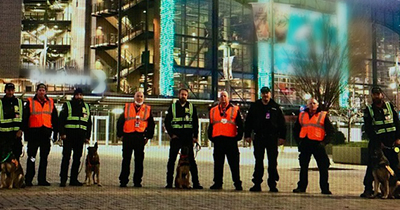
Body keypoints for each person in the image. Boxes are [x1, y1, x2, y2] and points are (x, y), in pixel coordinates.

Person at [360, 86, 400, 198]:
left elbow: (397, 123)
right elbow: (368, 129)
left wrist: (398, 138)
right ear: (372, 96)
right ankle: (368, 189)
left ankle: (396, 189)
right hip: (377, 143)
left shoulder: (389, 106)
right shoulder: (369, 110)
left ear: (382, 95)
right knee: (373, 167)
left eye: (378, 94)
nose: (376, 96)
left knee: (394, 166)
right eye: (374, 94)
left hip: (392, 142)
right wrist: (377, 143)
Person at [245, 86, 286, 192]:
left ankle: (272, 184)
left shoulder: (275, 107)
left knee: (272, 162)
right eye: (263, 93)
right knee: (258, 161)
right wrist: (247, 135)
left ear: (270, 94)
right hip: (259, 137)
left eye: (267, 93)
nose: (265, 95)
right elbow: (248, 121)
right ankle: (257, 184)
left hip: (272, 138)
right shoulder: (255, 106)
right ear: (261, 94)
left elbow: (282, 123)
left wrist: (282, 137)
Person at [292, 98, 334, 195]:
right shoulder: (302, 115)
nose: (312, 105)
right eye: (310, 103)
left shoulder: (323, 115)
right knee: (303, 166)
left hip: (318, 144)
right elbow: (296, 130)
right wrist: (299, 142)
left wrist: (324, 143)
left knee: (323, 166)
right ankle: (301, 187)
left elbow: (331, 131)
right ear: (307, 105)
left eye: (314, 103)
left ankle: (324, 188)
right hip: (305, 143)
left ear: (317, 105)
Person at [164, 88, 203, 189]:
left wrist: (195, 136)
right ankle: (169, 183)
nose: (183, 96)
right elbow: (167, 122)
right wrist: (171, 134)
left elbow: (195, 123)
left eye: (185, 95)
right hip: (176, 137)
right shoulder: (172, 107)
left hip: (187, 138)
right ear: (178, 95)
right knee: (171, 160)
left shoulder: (191, 107)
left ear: (187, 96)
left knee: (192, 161)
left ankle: (196, 183)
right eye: (182, 94)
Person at [23, 83, 59, 186]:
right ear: (36, 91)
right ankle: (29, 179)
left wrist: (55, 133)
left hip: (45, 136)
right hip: (33, 135)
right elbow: (25, 119)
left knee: (44, 158)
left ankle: (42, 179)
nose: (42, 92)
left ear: (46, 92)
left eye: (43, 90)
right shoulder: (30, 102)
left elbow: (55, 119)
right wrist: (26, 133)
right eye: (40, 90)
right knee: (32, 157)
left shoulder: (51, 102)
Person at [117, 91, 155, 188]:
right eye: (137, 96)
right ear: (134, 97)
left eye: (141, 96)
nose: (139, 98)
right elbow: (120, 121)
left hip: (140, 137)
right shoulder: (127, 107)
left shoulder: (147, 109)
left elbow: (151, 124)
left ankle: (137, 181)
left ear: (144, 98)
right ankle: (123, 180)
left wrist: (148, 136)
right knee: (126, 160)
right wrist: (120, 134)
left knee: (139, 161)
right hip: (128, 136)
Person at [208, 91, 243, 190]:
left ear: (228, 98)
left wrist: (238, 137)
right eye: (221, 96)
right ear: (219, 98)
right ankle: (217, 183)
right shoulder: (213, 110)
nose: (223, 98)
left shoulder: (235, 109)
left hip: (231, 141)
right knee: (218, 164)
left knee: (234, 164)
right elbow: (211, 125)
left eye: (225, 96)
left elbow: (240, 125)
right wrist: (211, 137)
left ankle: (237, 183)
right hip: (218, 140)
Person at [59, 88, 92, 187]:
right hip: (69, 136)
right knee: (66, 158)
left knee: (77, 159)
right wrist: (62, 133)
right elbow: (61, 120)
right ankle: (63, 179)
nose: (79, 96)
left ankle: (74, 179)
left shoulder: (86, 106)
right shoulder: (68, 105)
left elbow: (89, 123)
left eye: (81, 95)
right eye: (77, 95)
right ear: (74, 95)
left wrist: (87, 136)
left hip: (80, 137)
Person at [0, 83, 23, 162]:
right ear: (5, 91)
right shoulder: (1, 103)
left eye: (12, 90)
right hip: (3, 135)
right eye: (8, 90)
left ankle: (15, 174)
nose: (10, 92)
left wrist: (20, 130)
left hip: (16, 135)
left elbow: (23, 118)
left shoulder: (19, 102)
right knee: (4, 157)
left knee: (16, 157)